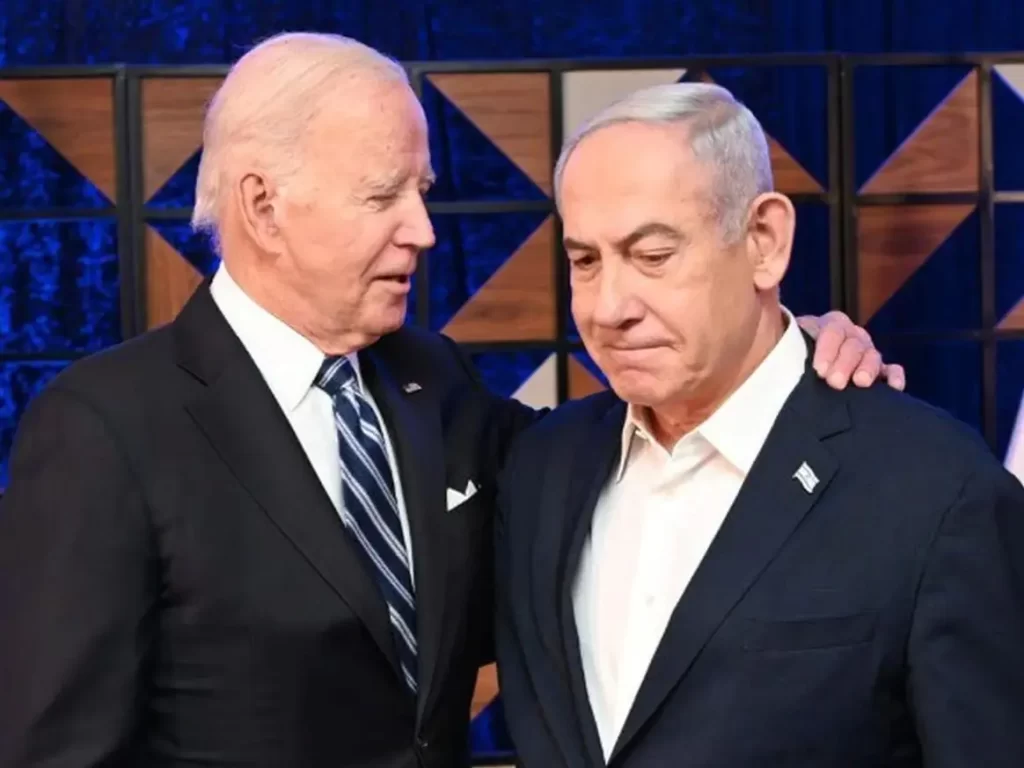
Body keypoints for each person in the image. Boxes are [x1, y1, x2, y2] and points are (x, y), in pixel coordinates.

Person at [0, 34, 898, 768]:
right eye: (383, 196)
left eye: (421, 192)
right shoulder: (105, 430)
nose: (424, 231)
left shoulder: (431, 380)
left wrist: (775, 343)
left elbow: (614, 456)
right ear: (264, 207)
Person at [494, 82, 1024, 768]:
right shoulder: (540, 468)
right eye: (585, 261)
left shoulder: (937, 492)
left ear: (764, 242)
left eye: (653, 256)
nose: (609, 307)